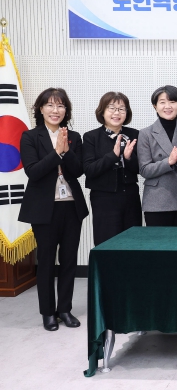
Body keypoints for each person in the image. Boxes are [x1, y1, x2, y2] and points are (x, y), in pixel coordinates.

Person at [18, 88, 88, 331]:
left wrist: (66, 152)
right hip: (43, 209)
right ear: (41, 109)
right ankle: (48, 312)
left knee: (69, 261)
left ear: (66, 110)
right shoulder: (30, 136)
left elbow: (78, 171)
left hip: (71, 207)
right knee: (47, 261)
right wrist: (57, 152)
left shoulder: (74, 137)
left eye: (60, 105)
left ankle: (65, 309)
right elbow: (33, 172)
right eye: (50, 105)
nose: (55, 110)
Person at [82, 92, 141, 246]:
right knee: (107, 244)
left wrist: (128, 158)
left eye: (121, 109)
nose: (117, 113)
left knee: (133, 244)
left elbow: (141, 169)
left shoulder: (134, 134)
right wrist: (113, 156)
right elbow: (89, 169)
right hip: (104, 199)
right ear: (102, 111)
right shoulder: (91, 137)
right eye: (112, 108)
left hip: (130, 197)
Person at [138, 85, 177, 226]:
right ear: (155, 106)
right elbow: (144, 170)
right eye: (162, 102)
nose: (167, 106)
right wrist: (169, 161)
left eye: (172, 102)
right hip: (157, 201)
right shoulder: (145, 133)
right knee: (158, 240)